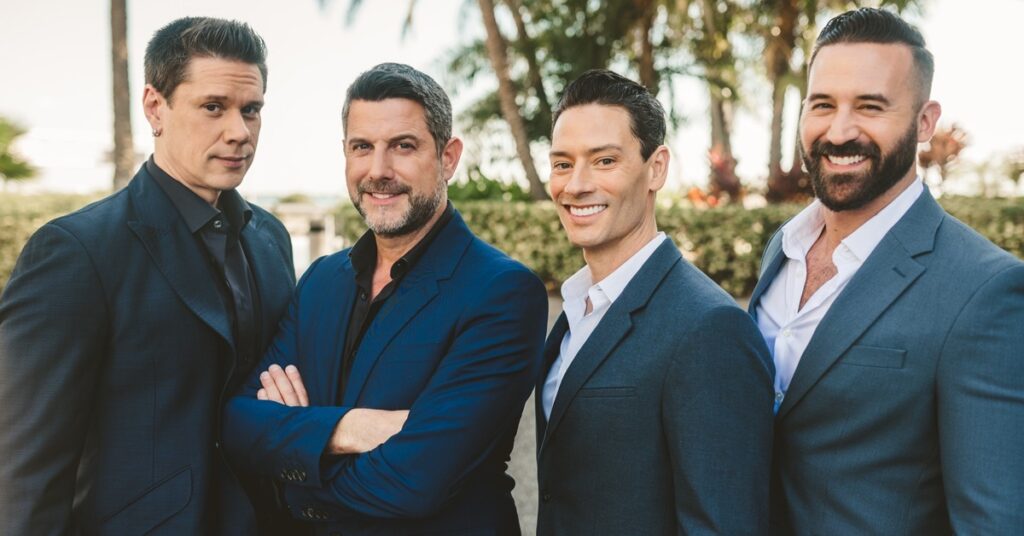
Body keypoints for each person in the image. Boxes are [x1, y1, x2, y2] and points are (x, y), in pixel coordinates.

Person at [222, 62, 548, 534]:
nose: (378, 171)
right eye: (362, 148)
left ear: (449, 157)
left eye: (403, 146)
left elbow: (414, 482)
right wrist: (346, 430)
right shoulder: (321, 280)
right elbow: (237, 424)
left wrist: (292, 461)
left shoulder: (503, 293)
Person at [0, 17, 296, 535]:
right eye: (213, 107)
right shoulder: (75, 252)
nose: (239, 132)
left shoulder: (271, 238)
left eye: (251, 110)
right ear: (155, 107)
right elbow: (24, 468)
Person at [749, 8, 1024, 534]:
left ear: (925, 120)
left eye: (870, 106)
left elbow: (995, 521)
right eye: (823, 104)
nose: (840, 129)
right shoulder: (781, 250)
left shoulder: (987, 292)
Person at [534, 69, 773, 535]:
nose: (576, 184)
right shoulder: (576, 309)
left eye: (604, 161)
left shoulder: (710, 327)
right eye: (562, 164)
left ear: (656, 168)